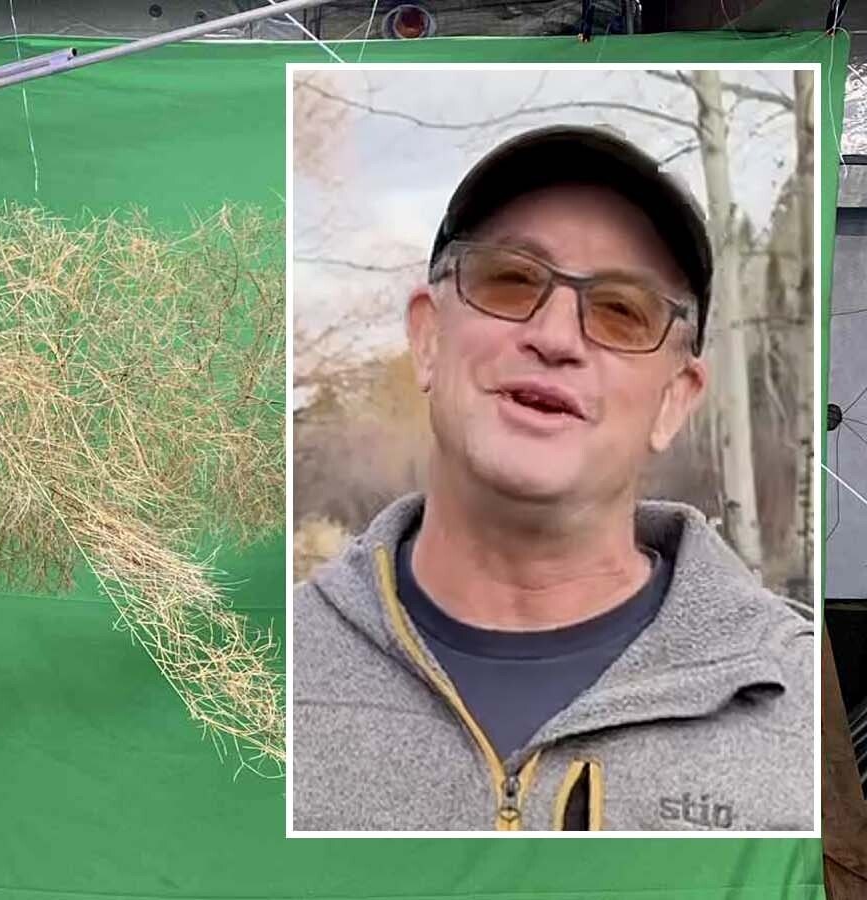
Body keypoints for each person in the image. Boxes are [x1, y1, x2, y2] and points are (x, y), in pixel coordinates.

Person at [291, 125, 815, 832]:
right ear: (428, 339)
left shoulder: (802, 707)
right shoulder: (254, 676)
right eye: (511, 280)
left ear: (674, 400)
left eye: (622, 311)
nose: (557, 337)